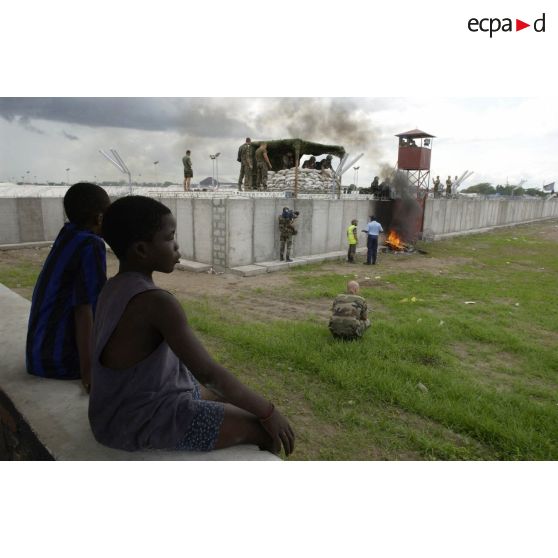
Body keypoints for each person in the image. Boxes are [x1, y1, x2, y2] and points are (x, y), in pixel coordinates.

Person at [89, 196, 295, 456]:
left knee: (227, 400)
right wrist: (269, 411)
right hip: (139, 421)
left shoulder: (113, 287)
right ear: (141, 250)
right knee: (263, 428)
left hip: (113, 414)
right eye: (169, 237)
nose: (177, 246)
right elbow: (208, 373)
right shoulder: (157, 303)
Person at [26, 182, 111, 393]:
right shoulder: (91, 244)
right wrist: (88, 371)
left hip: (38, 354)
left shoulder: (69, 233)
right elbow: (84, 310)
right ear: (99, 218)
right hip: (58, 361)